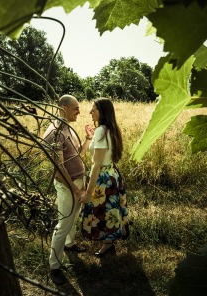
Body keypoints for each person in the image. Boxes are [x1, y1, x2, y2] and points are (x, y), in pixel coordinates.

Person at [43, 95, 93, 285]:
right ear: (63, 108)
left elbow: (76, 153)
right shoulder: (55, 132)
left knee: (73, 217)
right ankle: (54, 266)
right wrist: (76, 190)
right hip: (67, 185)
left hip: (77, 182)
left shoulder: (68, 128)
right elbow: (60, 169)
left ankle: (70, 245)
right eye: (76, 108)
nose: (79, 112)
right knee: (63, 224)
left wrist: (87, 139)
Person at [79, 97, 129, 257]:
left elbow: (96, 165)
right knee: (110, 210)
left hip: (103, 178)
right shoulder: (111, 129)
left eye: (93, 109)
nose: (90, 112)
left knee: (102, 210)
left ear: (102, 112)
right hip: (112, 173)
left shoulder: (102, 131)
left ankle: (108, 244)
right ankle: (109, 243)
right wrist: (90, 137)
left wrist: (87, 193)